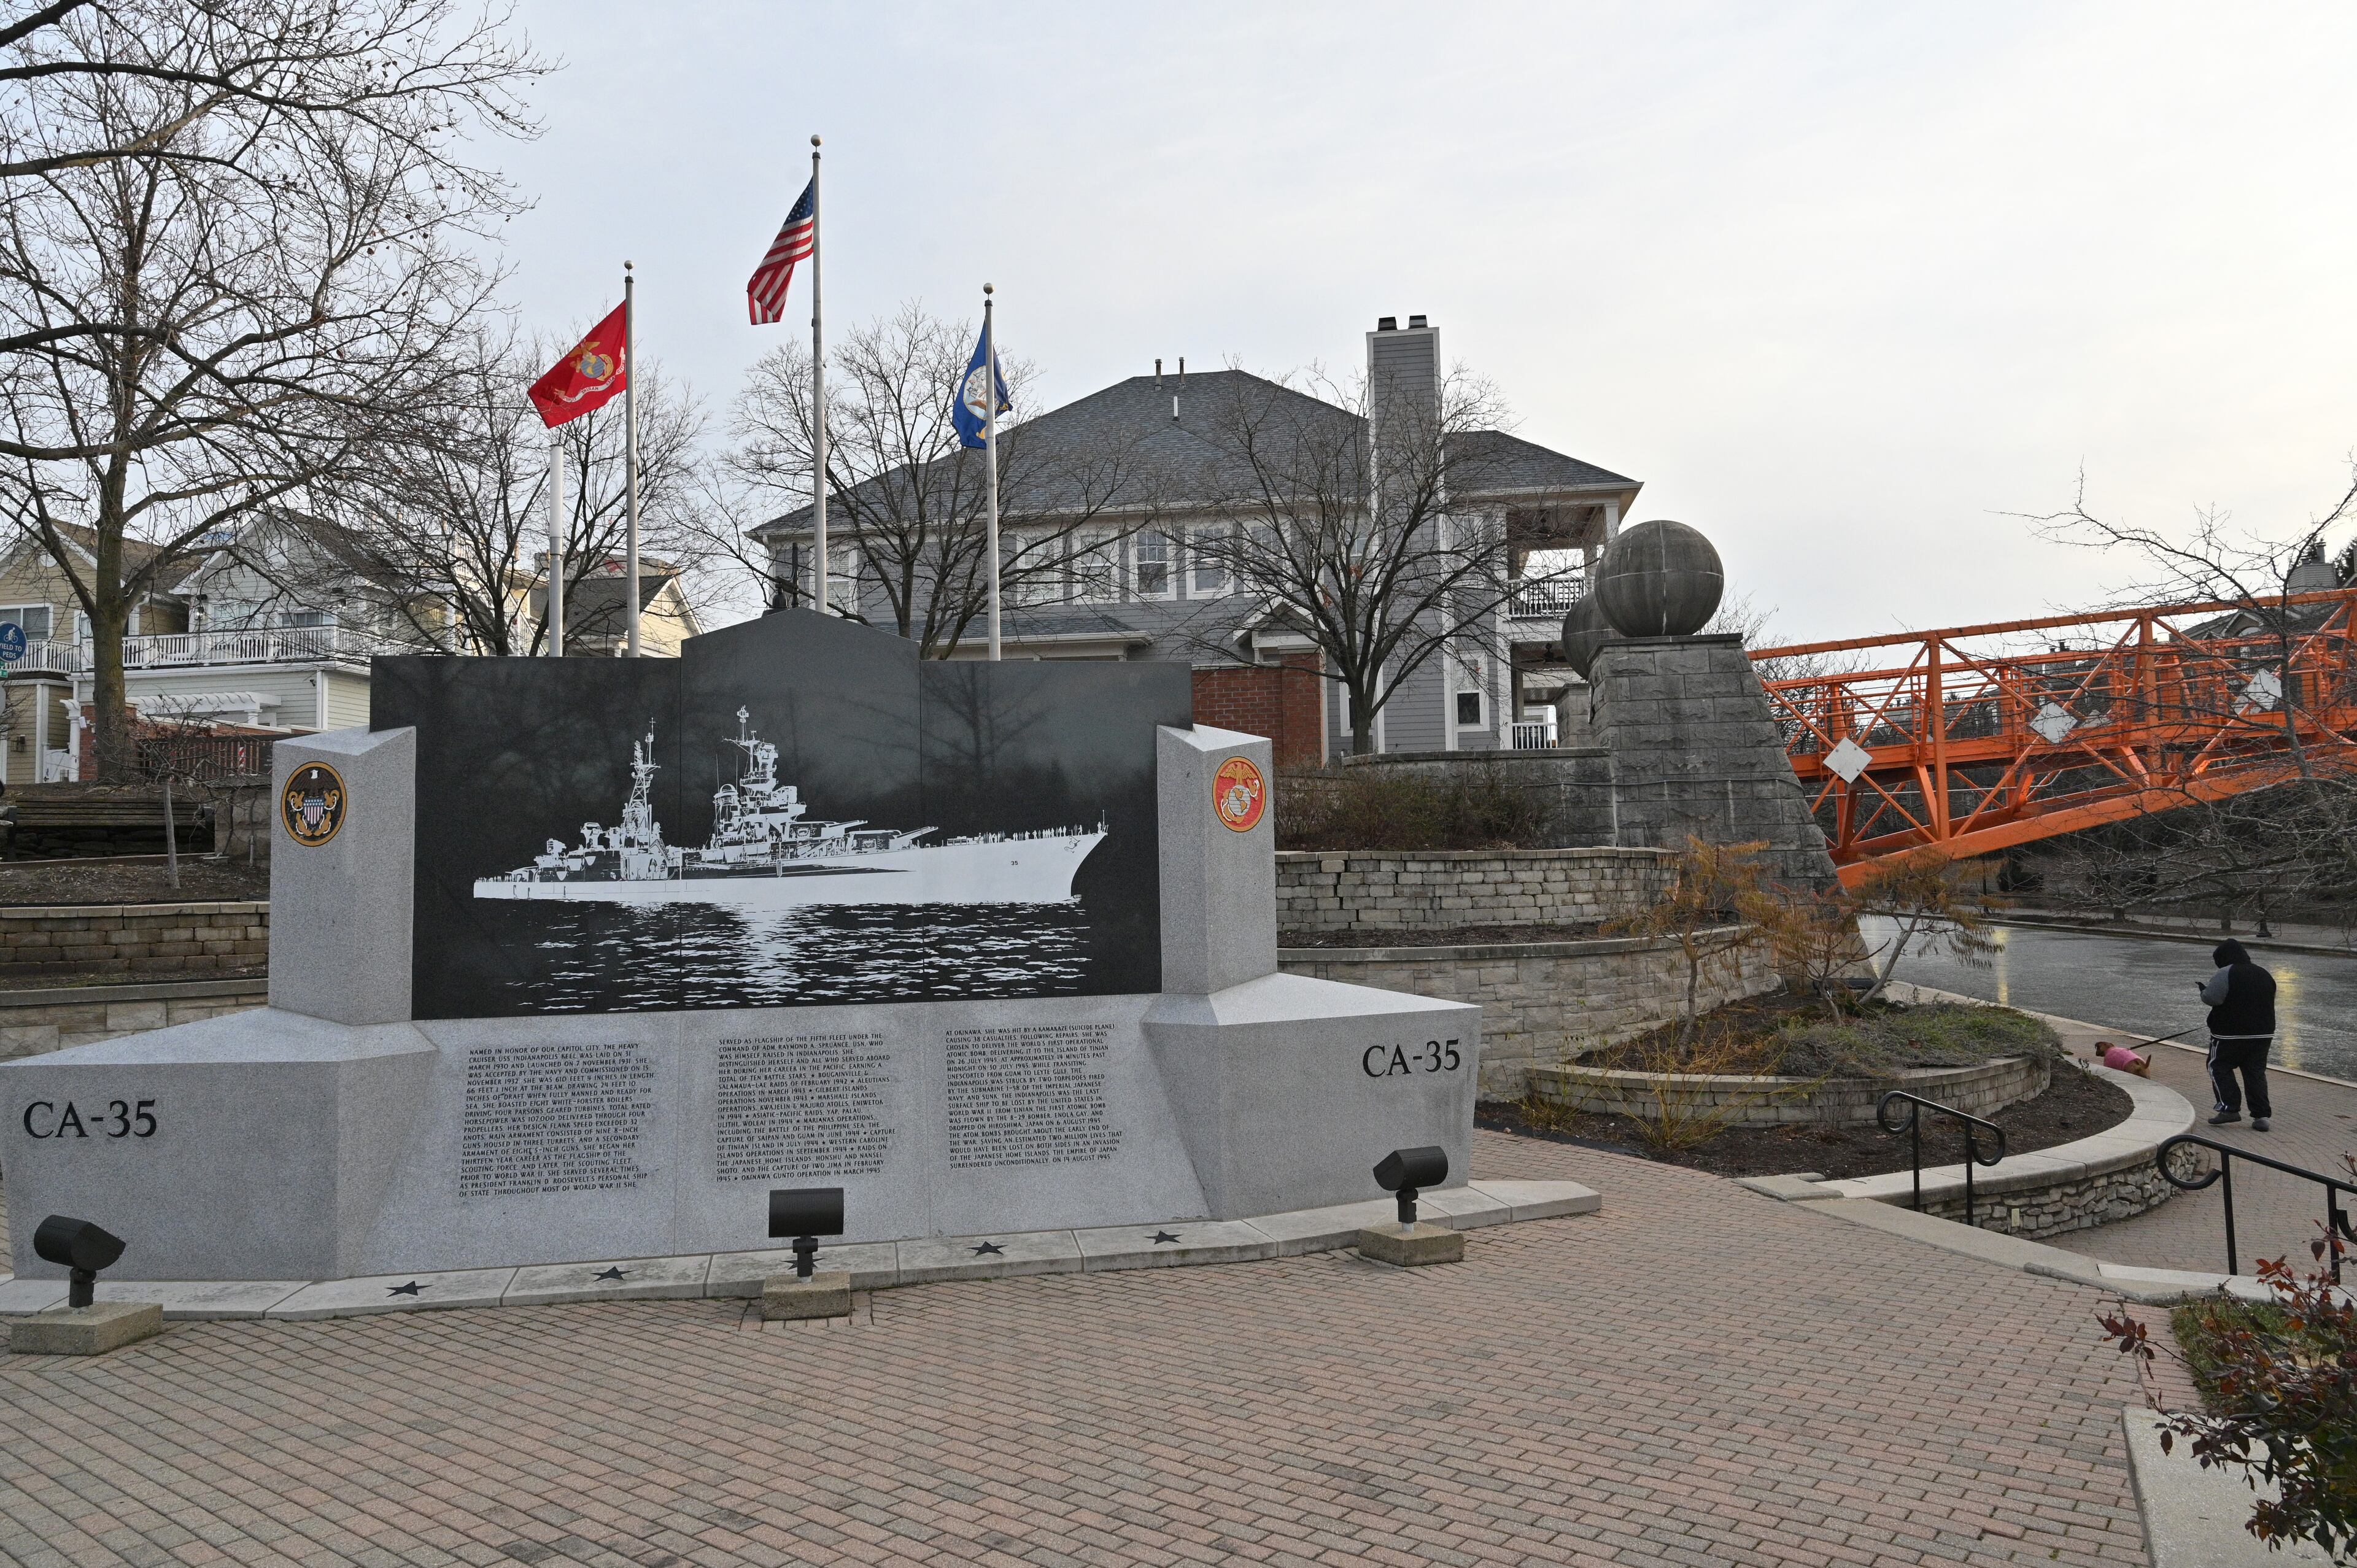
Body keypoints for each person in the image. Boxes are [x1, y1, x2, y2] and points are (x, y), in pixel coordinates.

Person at [2199, 938, 2277, 1130]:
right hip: (2262, 1034)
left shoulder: (2225, 973)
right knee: (2255, 1072)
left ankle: (2229, 1108)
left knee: (2218, 1066)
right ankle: (2261, 1116)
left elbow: (2212, 998)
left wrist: (2203, 991)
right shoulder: (2264, 973)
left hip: (2229, 1035)